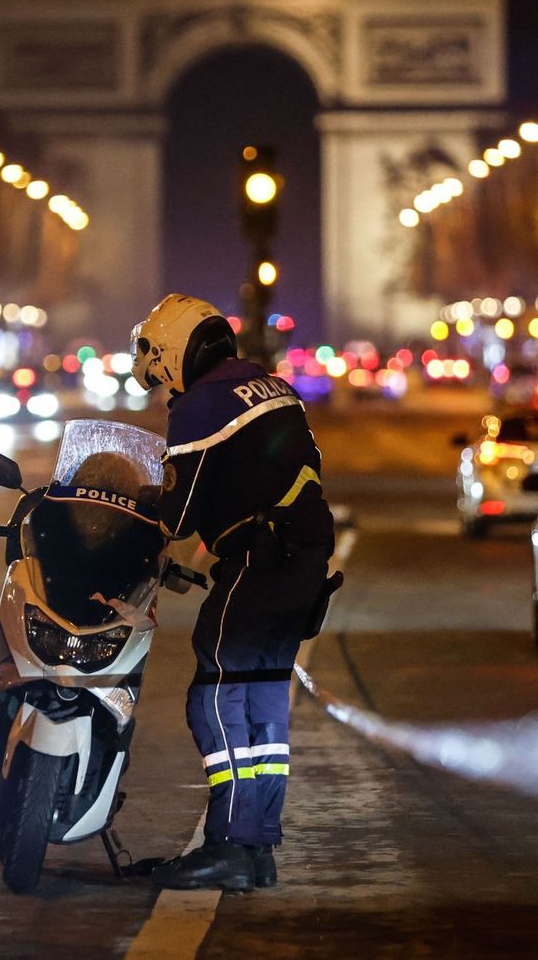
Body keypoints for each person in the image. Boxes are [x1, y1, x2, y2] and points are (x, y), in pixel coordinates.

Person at [129, 294, 335, 892]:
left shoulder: (202, 404)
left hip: (257, 562)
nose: (162, 387)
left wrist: (140, 505)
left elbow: (178, 515)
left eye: (158, 370)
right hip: (302, 564)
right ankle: (255, 846)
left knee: (215, 695)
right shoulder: (271, 387)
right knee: (263, 701)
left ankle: (228, 845)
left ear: (171, 355)